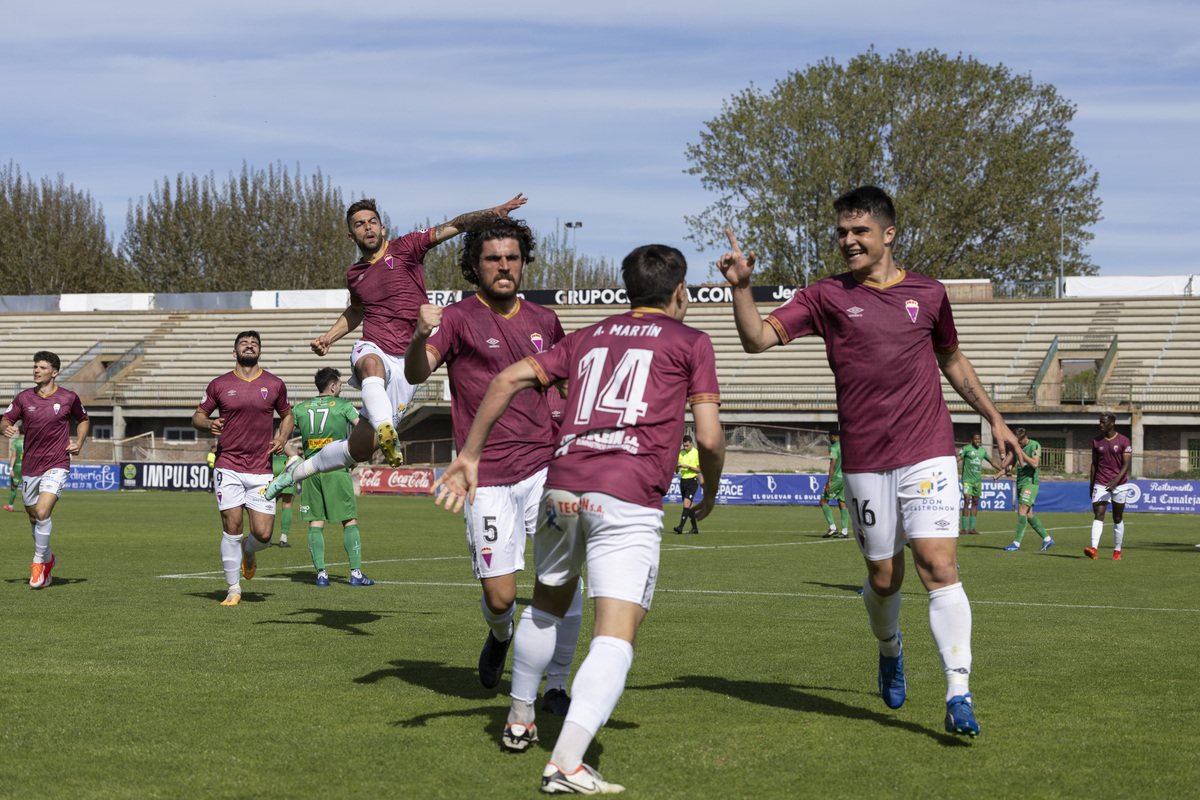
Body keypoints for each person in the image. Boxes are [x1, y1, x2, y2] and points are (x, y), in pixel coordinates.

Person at [718, 186, 1022, 739]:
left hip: (929, 449)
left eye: (859, 231)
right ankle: (890, 648)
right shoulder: (825, 296)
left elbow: (951, 359)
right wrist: (743, 290)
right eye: (841, 232)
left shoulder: (929, 295)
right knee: (885, 578)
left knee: (939, 566)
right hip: (864, 459)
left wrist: (994, 418)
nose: (848, 241)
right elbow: (756, 340)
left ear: (888, 233)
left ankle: (959, 692)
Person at [432, 244, 724, 793]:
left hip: (561, 487)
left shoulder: (586, 336)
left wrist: (468, 455)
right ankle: (566, 762)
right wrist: (708, 488)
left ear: (625, 288)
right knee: (615, 635)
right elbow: (708, 436)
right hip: (627, 496)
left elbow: (502, 381)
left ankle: (519, 718)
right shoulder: (691, 341)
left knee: (545, 605)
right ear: (680, 292)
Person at [404, 216, 581, 709]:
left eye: (511, 257)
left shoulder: (545, 320)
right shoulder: (458, 317)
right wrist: (419, 337)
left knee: (563, 577)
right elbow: (417, 371)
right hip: (484, 477)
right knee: (502, 597)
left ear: (523, 261)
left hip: (545, 466)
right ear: (474, 266)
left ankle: (557, 683)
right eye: (492, 259)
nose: (504, 266)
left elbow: (565, 383)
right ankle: (501, 635)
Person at [266, 194, 528, 497]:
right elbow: (357, 310)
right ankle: (385, 427)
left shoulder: (407, 248)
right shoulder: (355, 275)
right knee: (370, 365)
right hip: (374, 346)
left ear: (382, 228)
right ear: (351, 235)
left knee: (359, 450)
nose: (368, 228)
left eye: (372, 222)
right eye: (360, 225)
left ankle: (294, 472)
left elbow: (454, 225)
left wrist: (491, 214)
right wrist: (329, 337)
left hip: (409, 362)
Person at [192, 331, 293, 606]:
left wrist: (282, 437)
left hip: (261, 468)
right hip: (228, 466)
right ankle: (233, 589)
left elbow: (288, 415)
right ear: (234, 352)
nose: (250, 346)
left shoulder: (274, 384)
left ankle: (250, 552)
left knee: (263, 535)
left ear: (260, 352)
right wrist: (208, 424)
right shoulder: (220, 384)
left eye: (255, 344)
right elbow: (198, 416)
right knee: (232, 527)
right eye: (244, 344)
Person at [0, 351, 89, 588]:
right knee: (33, 516)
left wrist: (78, 442)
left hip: (57, 463)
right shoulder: (23, 398)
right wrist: (5, 427)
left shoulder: (69, 398)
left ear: (55, 372)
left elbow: (83, 419)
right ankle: (49, 560)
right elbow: (6, 419)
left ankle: (38, 561)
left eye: (41, 367)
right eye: (35, 367)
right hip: (30, 465)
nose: (36, 370)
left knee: (42, 512)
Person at [290, 368, 375, 586]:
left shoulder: (300, 408)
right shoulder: (344, 406)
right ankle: (356, 574)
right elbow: (362, 430)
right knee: (349, 521)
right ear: (333, 386)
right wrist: (354, 455)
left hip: (311, 471)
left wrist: (296, 460)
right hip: (336, 469)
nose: (340, 388)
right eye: (339, 384)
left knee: (316, 523)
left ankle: (321, 575)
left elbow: (280, 437)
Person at [1087, 414, 1132, 560]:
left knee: (1117, 517)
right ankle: (1094, 549)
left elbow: (1126, 465)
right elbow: (1094, 464)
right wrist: (1091, 484)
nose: (1101, 425)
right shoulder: (1096, 441)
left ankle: (1117, 550)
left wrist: (1115, 481)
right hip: (1100, 483)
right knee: (1099, 515)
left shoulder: (1124, 440)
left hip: (1119, 485)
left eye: (1103, 422)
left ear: (1112, 424)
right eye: (1100, 422)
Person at [1001, 429, 1054, 552]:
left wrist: (1021, 453)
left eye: (1020, 443)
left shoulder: (1034, 445)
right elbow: (1010, 466)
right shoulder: (1016, 447)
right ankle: (1047, 539)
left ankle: (1016, 543)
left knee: (1021, 509)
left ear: (1025, 438)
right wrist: (1000, 472)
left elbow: (1035, 464)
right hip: (1020, 483)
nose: (1018, 445)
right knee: (1029, 515)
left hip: (1030, 483)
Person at [957, 433, 1001, 535]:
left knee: (975, 503)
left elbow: (992, 462)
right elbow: (958, 458)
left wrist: (1002, 470)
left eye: (979, 439)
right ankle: (963, 528)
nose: (978, 441)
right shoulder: (966, 449)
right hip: (967, 480)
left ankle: (971, 529)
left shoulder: (982, 451)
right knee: (967, 500)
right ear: (971, 440)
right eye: (976, 439)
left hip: (977, 481)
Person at [819, 429, 850, 539]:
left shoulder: (834, 447)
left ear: (833, 436)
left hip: (836, 478)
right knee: (842, 503)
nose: (829, 439)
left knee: (823, 501)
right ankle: (845, 531)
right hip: (845, 478)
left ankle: (832, 527)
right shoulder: (846, 446)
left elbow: (833, 464)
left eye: (830, 437)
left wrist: (829, 481)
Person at [271, 438, 301, 547]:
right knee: (287, 505)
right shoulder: (284, 433)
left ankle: (268, 538)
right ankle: (283, 538)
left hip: (273, 466)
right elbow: (292, 454)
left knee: (270, 505)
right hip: (287, 466)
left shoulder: (269, 433)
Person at [673, 435, 702, 534]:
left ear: (692, 444)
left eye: (687, 446)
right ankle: (694, 529)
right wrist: (677, 466)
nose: (685, 447)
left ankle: (680, 527)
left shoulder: (697, 453)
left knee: (686, 503)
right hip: (683, 481)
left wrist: (688, 467)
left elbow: (699, 469)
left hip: (692, 481)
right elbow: (677, 472)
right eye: (684, 446)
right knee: (690, 506)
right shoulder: (682, 454)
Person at [6, 424, 24, 511]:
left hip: (17, 467)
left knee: (14, 487)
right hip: (28, 468)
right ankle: (27, 509)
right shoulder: (31, 441)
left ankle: (10, 507)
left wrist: (10, 468)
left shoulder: (15, 442)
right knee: (27, 488)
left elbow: (13, 456)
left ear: (19, 431)